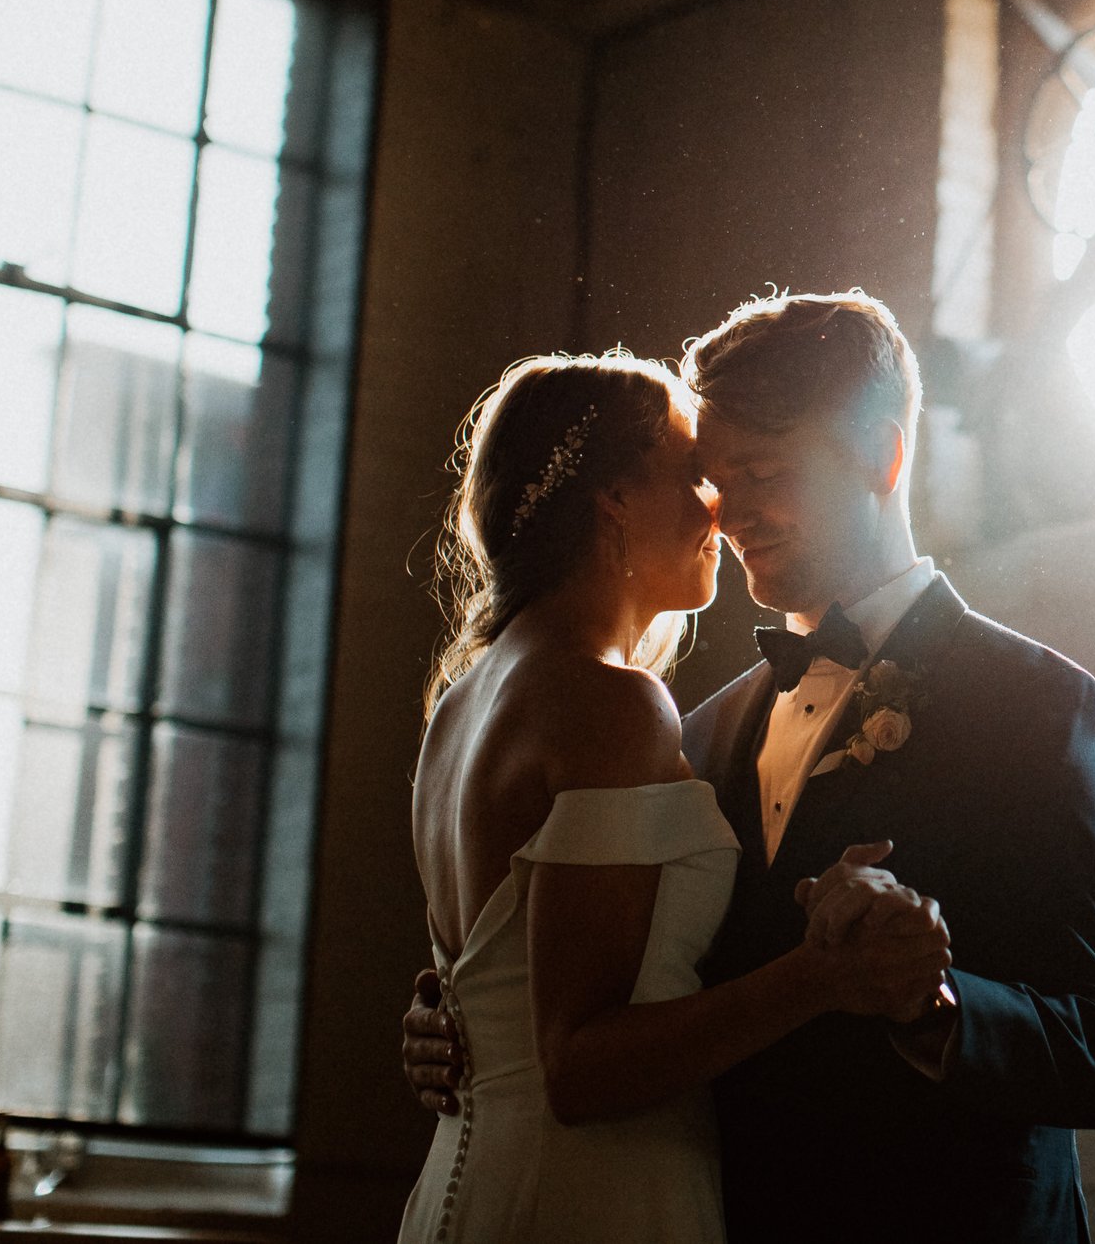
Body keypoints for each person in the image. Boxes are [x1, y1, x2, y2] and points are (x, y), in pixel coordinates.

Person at [408, 291, 1095, 1242]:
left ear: (881, 455)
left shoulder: (1037, 704)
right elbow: (614, 996)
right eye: (714, 480)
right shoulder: (700, 735)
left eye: (762, 472)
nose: (728, 513)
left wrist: (933, 1001)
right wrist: (458, 1024)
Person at [399, 351, 951, 1244]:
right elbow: (578, 1068)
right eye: (697, 478)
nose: (721, 510)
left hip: (468, 1182)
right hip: (591, 1199)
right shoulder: (608, 700)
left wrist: (438, 1025)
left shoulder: (463, 702)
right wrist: (821, 974)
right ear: (612, 497)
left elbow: (498, 997)